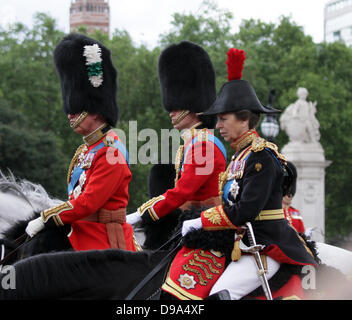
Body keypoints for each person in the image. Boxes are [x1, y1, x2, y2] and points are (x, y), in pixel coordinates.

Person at [179, 48, 317, 300]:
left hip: (266, 245)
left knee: (221, 295)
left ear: (244, 120)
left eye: (223, 119)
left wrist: (201, 220)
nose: (218, 125)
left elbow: (245, 211)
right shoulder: (240, 156)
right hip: (240, 242)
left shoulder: (261, 157)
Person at [25, 33, 138, 252]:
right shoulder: (87, 149)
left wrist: (47, 217)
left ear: (95, 109)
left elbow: (87, 203)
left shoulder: (110, 151)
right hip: (79, 235)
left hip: (103, 243)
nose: (69, 114)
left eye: (75, 108)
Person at [127, 41, 227, 225]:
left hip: (208, 226)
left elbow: (182, 192)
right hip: (192, 222)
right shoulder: (192, 143)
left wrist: (142, 213)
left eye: (177, 106)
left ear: (197, 107)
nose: (171, 112)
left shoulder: (204, 145)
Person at [283, 161, 305, 234]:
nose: (289, 196)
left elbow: (302, 231)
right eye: (287, 194)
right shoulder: (276, 212)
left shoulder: (295, 213)